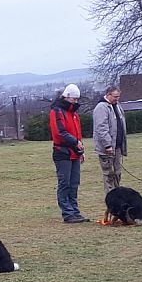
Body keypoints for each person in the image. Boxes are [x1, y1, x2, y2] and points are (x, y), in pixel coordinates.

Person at [50, 84, 88, 223]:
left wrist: (80, 150)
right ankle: (67, 212)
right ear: (66, 97)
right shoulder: (57, 111)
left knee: (74, 183)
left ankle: (75, 211)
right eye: (73, 99)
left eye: (77, 99)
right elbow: (60, 132)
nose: (75, 102)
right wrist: (76, 142)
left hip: (74, 153)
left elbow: (78, 133)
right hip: (62, 152)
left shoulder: (74, 114)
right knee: (64, 183)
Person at [92, 85, 127, 194]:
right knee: (109, 173)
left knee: (117, 172)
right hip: (106, 148)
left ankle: (117, 193)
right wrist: (108, 145)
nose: (117, 99)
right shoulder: (101, 108)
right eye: (115, 96)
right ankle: (110, 197)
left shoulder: (117, 106)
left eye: (118, 97)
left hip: (117, 146)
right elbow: (101, 128)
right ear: (108, 94)